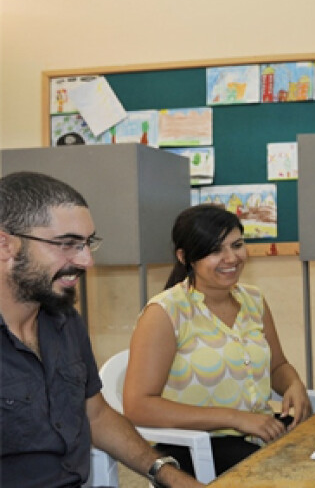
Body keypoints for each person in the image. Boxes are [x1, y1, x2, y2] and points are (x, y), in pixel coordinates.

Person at [0, 171, 201, 488]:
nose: (86, 261)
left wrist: (168, 474)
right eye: (67, 244)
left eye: (87, 243)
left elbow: (96, 415)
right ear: (5, 244)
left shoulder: (64, 320)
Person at [123, 204, 312, 476]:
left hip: (258, 433)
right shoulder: (165, 312)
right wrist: (234, 419)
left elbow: (277, 366)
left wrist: (293, 384)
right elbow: (138, 406)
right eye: (214, 250)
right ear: (185, 257)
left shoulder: (253, 300)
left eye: (237, 245)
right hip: (198, 446)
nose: (231, 258)